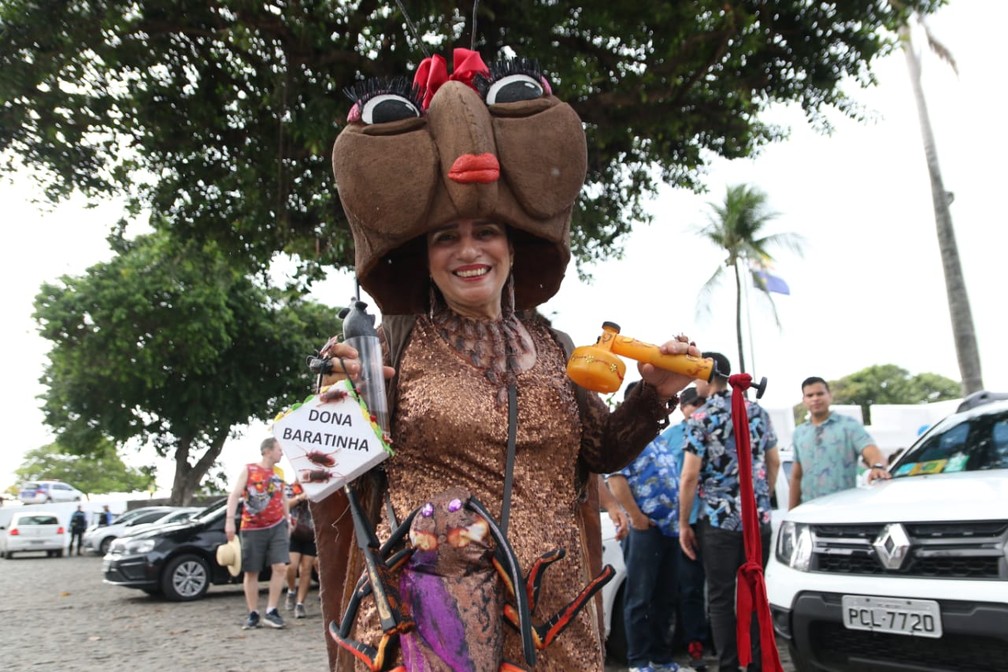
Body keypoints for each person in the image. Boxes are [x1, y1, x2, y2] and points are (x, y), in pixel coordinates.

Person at [313, 46, 702, 672]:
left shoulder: (554, 346)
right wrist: (335, 403)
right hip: (430, 620)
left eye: (485, 232)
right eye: (447, 237)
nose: (469, 250)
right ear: (427, 259)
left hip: (557, 613)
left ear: (513, 249)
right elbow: (322, 478)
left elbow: (600, 453)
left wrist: (652, 393)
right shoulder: (387, 346)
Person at [678, 352, 780, 672]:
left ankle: (729, 666)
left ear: (706, 374)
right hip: (757, 519)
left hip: (719, 522)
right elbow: (774, 462)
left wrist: (684, 524)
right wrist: (757, 498)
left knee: (721, 599)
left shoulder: (700, 418)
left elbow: (690, 476)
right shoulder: (759, 413)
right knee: (754, 591)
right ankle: (757, 665)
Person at [607, 383, 704, 672]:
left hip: (671, 530)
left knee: (665, 597)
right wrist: (636, 517)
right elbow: (616, 479)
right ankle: (638, 662)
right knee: (639, 598)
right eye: (649, 401)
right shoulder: (625, 436)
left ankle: (662, 659)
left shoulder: (658, 436)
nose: (656, 406)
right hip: (644, 531)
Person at [658, 386, 710, 671]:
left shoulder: (715, 428)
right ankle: (694, 643)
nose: (696, 409)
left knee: (715, 588)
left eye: (701, 403)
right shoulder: (670, 437)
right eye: (692, 405)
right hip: (683, 522)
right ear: (682, 408)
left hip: (712, 519)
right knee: (687, 587)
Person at [788, 376, 891, 509]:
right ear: (804, 400)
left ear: (829, 396)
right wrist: (791, 512)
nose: (815, 399)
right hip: (809, 510)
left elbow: (869, 449)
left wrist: (877, 466)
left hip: (842, 509)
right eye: (810, 395)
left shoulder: (849, 426)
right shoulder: (799, 433)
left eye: (820, 394)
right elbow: (796, 476)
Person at [225, 437, 291, 630]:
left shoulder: (279, 473)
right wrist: (229, 521)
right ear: (267, 451)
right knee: (252, 570)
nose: (282, 453)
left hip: (277, 525)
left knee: (280, 567)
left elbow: (283, 498)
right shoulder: (249, 470)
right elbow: (235, 495)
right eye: (279, 449)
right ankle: (253, 613)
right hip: (252, 527)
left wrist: (288, 520)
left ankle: (271, 610)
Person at [284, 479, 317, 619]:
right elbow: (285, 505)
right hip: (294, 532)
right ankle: (291, 590)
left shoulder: (316, 487)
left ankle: (300, 604)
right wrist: (300, 497)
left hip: (311, 532)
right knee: (291, 566)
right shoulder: (290, 488)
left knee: (306, 569)